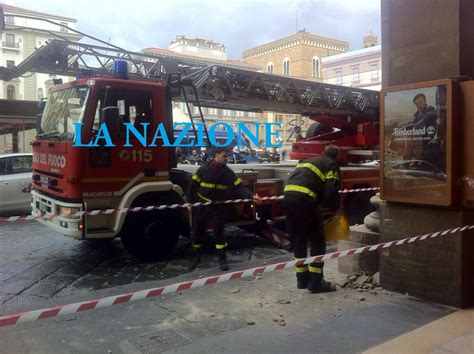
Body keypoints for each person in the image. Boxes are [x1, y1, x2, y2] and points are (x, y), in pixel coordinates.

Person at [283, 145, 342, 293]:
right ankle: (316, 283)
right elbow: (331, 189)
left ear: (323, 152)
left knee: (299, 239)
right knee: (317, 241)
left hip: (288, 198)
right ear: (336, 156)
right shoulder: (331, 164)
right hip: (305, 201)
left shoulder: (308, 161)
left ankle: (302, 280)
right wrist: (332, 208)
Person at [186, 147, 252, 271]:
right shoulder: (203, 169)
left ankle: (222, 259)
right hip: (203, 204)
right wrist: (189, 202)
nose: (226, 158)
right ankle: (195, 256)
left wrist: (251, 196)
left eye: (227, 156)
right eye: (224, 156)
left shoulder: (228, 172)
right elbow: (192, 185)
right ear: (216, 155)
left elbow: (239, 187)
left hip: (218, 206)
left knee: (219, 233)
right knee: (197, 231)